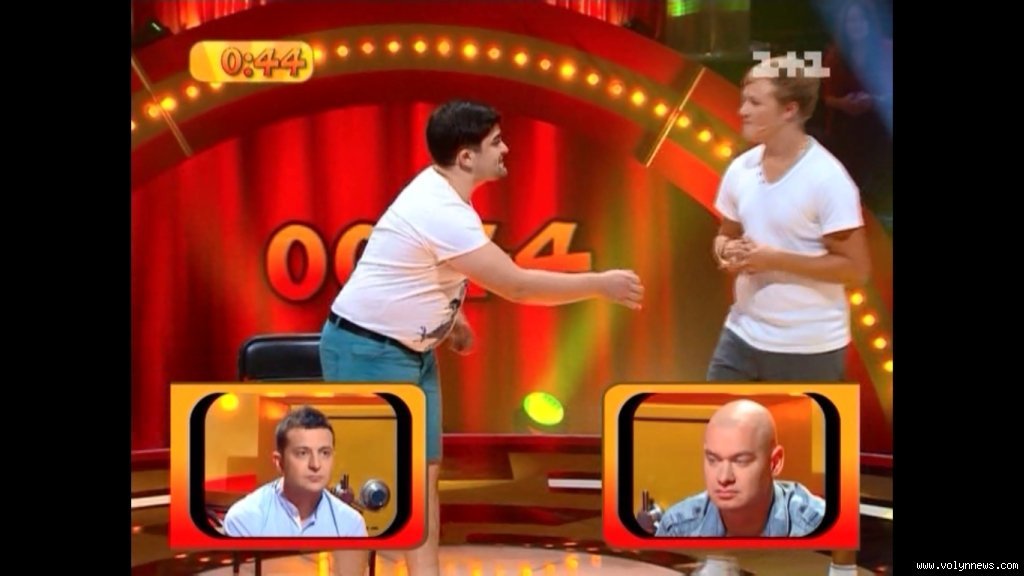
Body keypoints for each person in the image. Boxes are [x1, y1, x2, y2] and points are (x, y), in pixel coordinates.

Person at [320, 99, 645, 576]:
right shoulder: (440, 210)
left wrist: (450, 319)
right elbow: (517, 286)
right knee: (362, 488)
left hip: (412, 353)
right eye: (496, 142)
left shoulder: (445, 195)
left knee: (421, 485)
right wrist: (600, 285)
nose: (506, 149)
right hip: (366, 350)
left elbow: (419, 270)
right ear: (467, 157)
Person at [706, 56, 869, 576]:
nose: (741, 110)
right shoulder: (741, 169)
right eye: (743, 98)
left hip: (808, 343)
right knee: (721, 447)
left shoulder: (827, 179)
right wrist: (726, 253)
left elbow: (856, 268)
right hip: (742, 334)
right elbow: (725, 234)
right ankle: (721, 557)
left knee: (824, 463)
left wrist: (775, 259)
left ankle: (841, 567)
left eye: (754, 102)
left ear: (790, 110)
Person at [655, 399, 825, 537]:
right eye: (713, 460)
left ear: (774, 462)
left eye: (741, 461)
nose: (724, 478)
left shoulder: (818, 525)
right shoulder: (677, 527)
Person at [223, 406, 368, 538]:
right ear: (279, 462)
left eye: (324, 453)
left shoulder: (350, 524)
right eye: (302, 453)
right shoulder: (244, 518)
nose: (316, 465)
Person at [821, 0, 893, 214]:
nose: (857, 25)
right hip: (844, 123)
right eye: (851, 21)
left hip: (880, 121)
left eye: (862, 20)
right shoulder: (834, 55)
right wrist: (843, 104)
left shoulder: (887, 50)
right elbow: (826, 98)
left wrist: (874, 100)